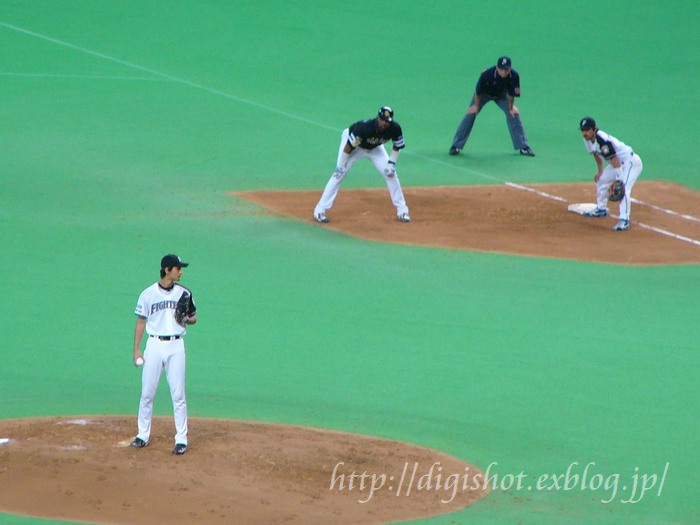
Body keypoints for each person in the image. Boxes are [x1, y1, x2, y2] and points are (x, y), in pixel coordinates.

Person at [131, 254, 197, 455]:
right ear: (167, 270)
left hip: (176, 346)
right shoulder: (148, 294)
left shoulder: (184, 293)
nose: (181, 271)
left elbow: (193, 318)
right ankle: (142, 435)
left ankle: (181, 439)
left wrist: (186, 317)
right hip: (155, 345)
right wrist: (136, 350)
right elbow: (141, 322)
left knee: (178, 395)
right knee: (147, 393)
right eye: (178, 268)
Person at [314, 106, 411, 223]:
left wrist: (391, 163)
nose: (385, 123)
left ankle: (402, 211)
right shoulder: (364, 128)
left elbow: (397, 145)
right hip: (354, 147)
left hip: (375, 149)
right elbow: (349, 147)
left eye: (387, 121)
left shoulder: (394, 128)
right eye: (383, 120)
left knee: (391, 174)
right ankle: (320, 210)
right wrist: (341, 165)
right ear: (378, 118)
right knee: (339, 174)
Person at [449, 56, 535, 157]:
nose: (504, 72)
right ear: (497, 67)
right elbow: (478, 92)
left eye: (506, 70)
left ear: (510, 68)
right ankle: (456, 146)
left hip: (502, 95)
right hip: (483, 95)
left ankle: (523, 147)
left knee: (514, 114)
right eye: (501, 69)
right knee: (471, 113)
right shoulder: (487, 75)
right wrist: (475, 106)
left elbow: (511, 95)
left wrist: (511, 108)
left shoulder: (514, 76)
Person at [579, 117, 643, 231]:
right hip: (617, 164)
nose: (584, 133)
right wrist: (600, 170)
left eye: (587, 130)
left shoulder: (602, 139)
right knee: (602, 179)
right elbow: (595, 154)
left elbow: (615, 159)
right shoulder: (587, 140)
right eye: (583, 130)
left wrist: (619, 179)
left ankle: (624, 220)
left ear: (593, 129)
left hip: (630, 163)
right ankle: (601, 209)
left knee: (624, 189)